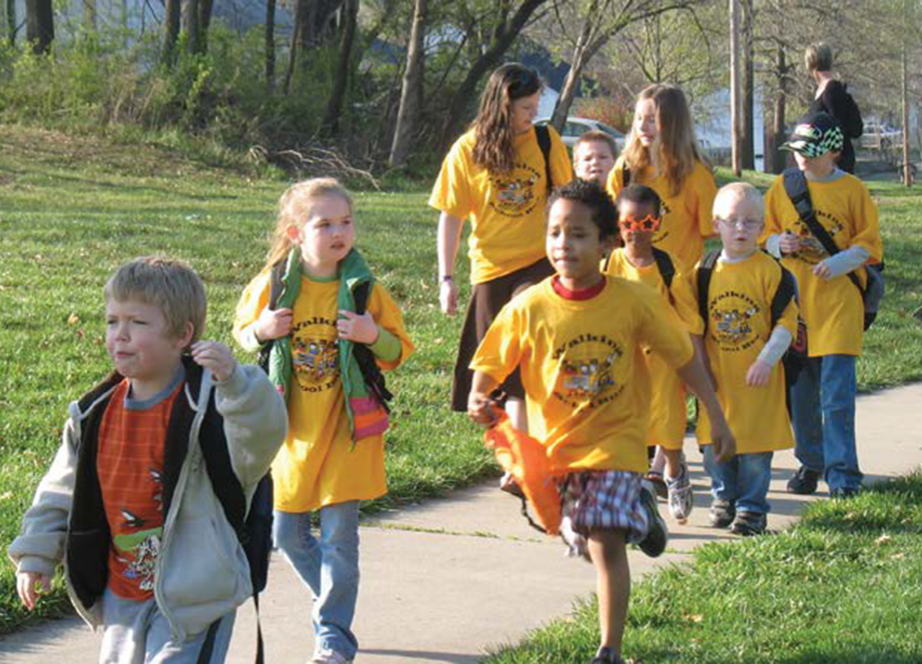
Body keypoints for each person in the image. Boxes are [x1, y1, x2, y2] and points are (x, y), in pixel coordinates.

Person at [467, 179, 735, 664]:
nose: (563, 244)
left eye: (578, 234)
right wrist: (478, 394)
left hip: (619, 442)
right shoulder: (530, 306)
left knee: (604, 538)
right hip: (558, 451)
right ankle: (642, 515)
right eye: (554, 233)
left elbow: (683, 358)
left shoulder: (633, 301)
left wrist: (715, 415)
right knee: (581, 537)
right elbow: (493, 357)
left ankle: (608, 649)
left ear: (607, 241)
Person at [9, 256, 288, 663]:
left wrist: (236, 382)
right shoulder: (94, 414)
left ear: (182, 335)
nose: (119, 335)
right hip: (122, 590)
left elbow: (261, 436)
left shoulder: (208, 405)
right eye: (111, 321)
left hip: (195, 595)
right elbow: (61, 490)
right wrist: (36, 555)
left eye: (137, 323)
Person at [233, 178, 414, 664]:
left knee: (340, 543)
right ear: (295, 233)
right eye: (325, 223)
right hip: (292, 435)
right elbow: (243, 337)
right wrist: (262, 329)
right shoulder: (274, 284)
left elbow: (398, 350)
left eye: (346, 221)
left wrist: (372, 333)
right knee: (285, 534)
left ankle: (332, 636)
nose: (339, 232)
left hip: (349, 434)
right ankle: (334, 601)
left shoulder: (362, 289)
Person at [430, 62, 573, 433]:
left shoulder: (546, 141)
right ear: (502, 105)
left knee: (527, 360)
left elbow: (566, 201)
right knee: (495, 372)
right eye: (526, 108)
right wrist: (446, 278)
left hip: (540, 264)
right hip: (491, 268)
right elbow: (451, 216)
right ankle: (514, 457)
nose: (533, 115)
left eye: (536, 105)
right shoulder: (468, 149)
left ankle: (532, 457)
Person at [763, 113, 883, 499]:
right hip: (795, 311)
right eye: (797, 151)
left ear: (834, 151)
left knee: (836, 396)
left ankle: (844, 473)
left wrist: (839, 262)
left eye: (811, 153)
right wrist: (779, 244)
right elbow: (761, 234)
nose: (802, 159)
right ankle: (811, 461)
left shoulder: (853, 190)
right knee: (800, 397)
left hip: (839, 307)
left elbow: (869, 245)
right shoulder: (782, 188)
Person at [673, 183, 798, 535]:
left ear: (762, 228)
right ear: (716, 225)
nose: (740, 229)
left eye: (750, 222)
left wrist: (766, 360)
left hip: (757, 381)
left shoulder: (771, 271)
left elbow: (787, 322)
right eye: (732, 221)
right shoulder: (705, 270)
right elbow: (690, 320)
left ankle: (751, 509)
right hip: (718, 381)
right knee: (714, 449)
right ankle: (724, 497)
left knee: (756, 454)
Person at [602, 184, 700, 524]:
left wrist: (694, 362)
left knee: (669, 429)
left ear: (658, 223)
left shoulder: (668, 266)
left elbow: (689, 316)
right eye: (628, 224)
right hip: (627, 364)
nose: (636, 232)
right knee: (629, 431)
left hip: (665, 362)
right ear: (618, 224)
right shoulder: (611, 262)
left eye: (646, 224)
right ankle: (632, 498)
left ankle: (675, 473)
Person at [605, 83, 717, 273]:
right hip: (631, 284)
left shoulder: (696, 173)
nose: (641, 126)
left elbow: (711, 229)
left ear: (673, 123)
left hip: (678, 285)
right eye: (638, 118)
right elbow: (607, 227)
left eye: (651, 120)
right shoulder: (625, 168)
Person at [805, 42, 863, 174]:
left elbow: (839, 130)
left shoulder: (832, 90)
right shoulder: (821, 90)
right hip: (822, 163)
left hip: (836, 166)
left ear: (811, 65)